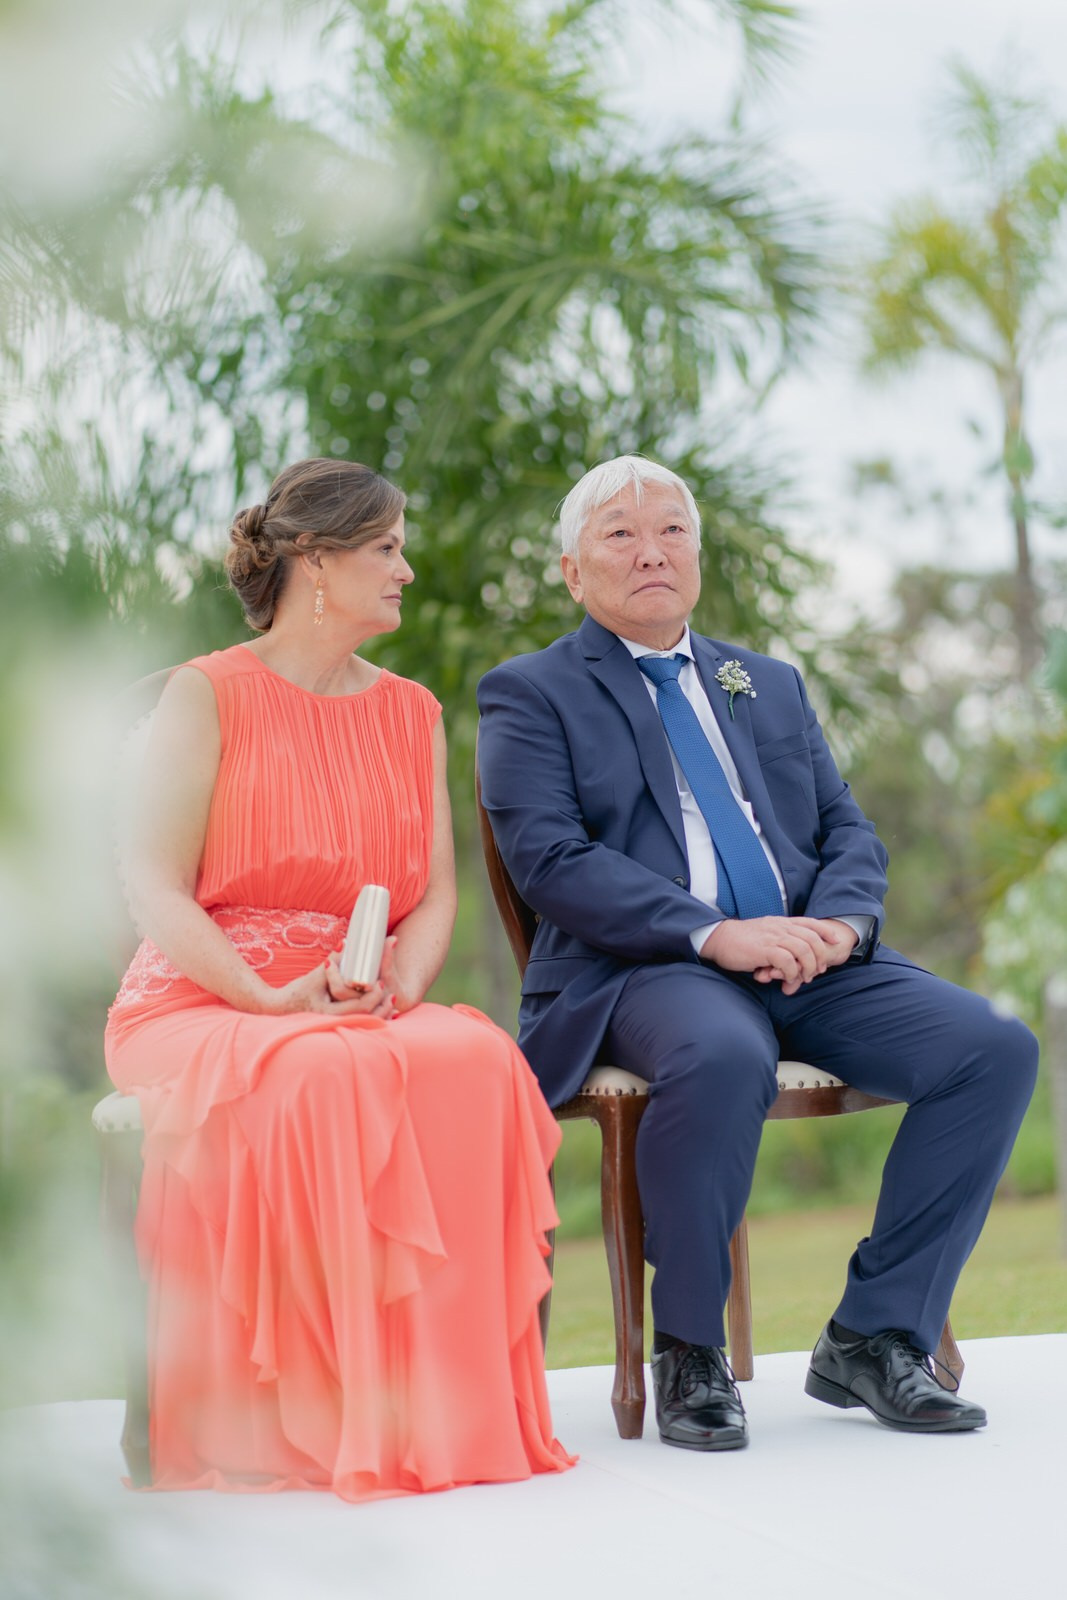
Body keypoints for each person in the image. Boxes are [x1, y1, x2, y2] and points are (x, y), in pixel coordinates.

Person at [476, 454, 1038, 1453]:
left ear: (696, 553)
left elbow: (844, 833)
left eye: (671, 531)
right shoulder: (531, 693)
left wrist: (838, 926)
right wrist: (711, 931)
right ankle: (687, 1347)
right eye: (619, 533)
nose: (650, 550)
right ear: (570, 570)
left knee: (990, 1045)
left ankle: (873, 1333)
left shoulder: (760, 682)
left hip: (809, 963)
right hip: (645, 970)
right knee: (721, 1052)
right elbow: (550, 861)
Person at [105, 457, 573, 1498]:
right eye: (386, 548)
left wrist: (399, 980)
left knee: (477, 1059)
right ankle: (312, 1418)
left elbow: (434, 895)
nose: (405, 569)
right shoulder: (206, 693)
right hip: (203, 995)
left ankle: (443, 1413)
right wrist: (264, 996)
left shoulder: (412, 710)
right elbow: (156, 888)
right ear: (316, 563)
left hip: (354, 991)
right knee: (319, 1077)